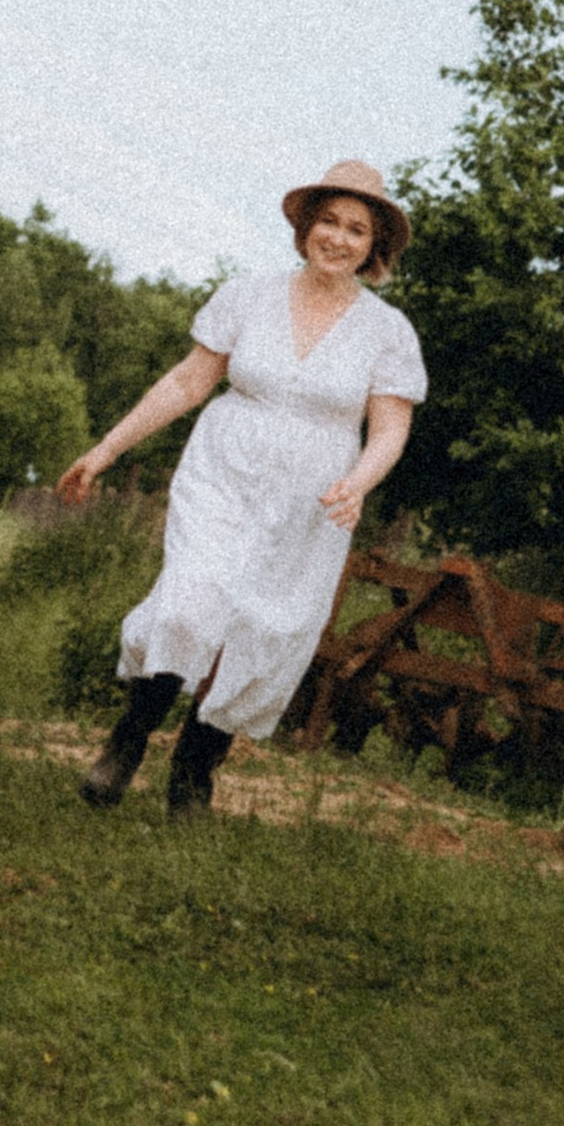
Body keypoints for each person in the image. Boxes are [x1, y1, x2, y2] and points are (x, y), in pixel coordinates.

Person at [53, 161, 425, 817]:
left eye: (356, 229)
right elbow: (186, 385)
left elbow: (390, 430)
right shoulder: (248, 295)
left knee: (261, 629)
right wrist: (107, 448)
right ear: (306, 227)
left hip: (314, 498)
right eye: (328, 222)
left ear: (375, 246)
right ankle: (128, 741)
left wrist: (359, 482)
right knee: (188, 607)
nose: (338, 238)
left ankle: (195, 769)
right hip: (226, 471)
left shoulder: (387, 332)